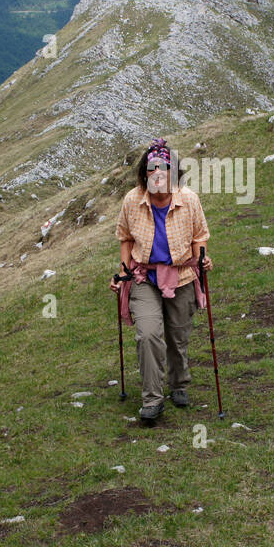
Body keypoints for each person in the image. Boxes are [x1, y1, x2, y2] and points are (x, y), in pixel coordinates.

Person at [110, 137, 213, 421]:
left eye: (164, 168)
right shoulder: (132, 200)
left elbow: (199, 235)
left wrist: (202, 257)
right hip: (143, 276)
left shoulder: (189, 199)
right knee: (148, 335)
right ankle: (152, 399)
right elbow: (126, 238)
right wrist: (122, 273)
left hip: (181, 274)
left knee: (177, 337)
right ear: (145, 174)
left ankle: (178, 383)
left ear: (173, 173)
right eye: (152, 169)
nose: (157, 174)